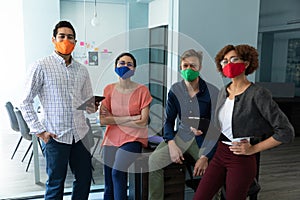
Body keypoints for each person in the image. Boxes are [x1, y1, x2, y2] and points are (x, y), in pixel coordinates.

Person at [193, 44, 295, 200]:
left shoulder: (258, 94)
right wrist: (203, 130)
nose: (228, 64)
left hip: (241, 159)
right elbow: (221, 126)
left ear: (246, 63)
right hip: (220, 154)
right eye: (224, 61)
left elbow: (286, 131)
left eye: (234, 59)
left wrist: (253, 148)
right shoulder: (223, 92)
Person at [20, 21, 97, 200]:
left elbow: (88, 103)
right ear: (53, 40)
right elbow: (25, 102)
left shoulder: (82, 70)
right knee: (56, 183)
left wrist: (93, 106)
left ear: (75, 42)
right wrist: (40, 131)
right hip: (55, 135)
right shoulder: (41, 66)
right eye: (61, 36)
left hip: (80, 135)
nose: (66, 40)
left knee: (85, 179)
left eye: (70, 37)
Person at [148, 49, 219, 200]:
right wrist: (172, 144)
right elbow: (168, 121)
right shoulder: (175, 90)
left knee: (213, 170)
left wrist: (205, 156)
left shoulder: (212, 91)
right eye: (185, 66)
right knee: (153, 161)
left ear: (199, 67)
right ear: (181, 68)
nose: (188, 69)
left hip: (202, 140)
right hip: (180, 136)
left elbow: (215, 127)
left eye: (193, 66)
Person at [99, 52, 152, 200]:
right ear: (115, 67)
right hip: (111, 138)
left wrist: (114, 119)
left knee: (117, 172)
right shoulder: (108, 90)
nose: (125, 66)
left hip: (134, 138)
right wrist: (131, 118)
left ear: (134, 69)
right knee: (109, 180)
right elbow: (103, 120)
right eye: (121, 63)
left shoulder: (142, 91)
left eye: (129, 64)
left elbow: (143, 121)